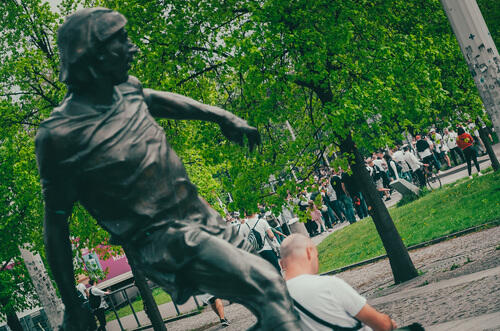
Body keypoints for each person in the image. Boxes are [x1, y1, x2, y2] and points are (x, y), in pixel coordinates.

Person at [35, 8, 300, 331]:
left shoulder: (127, 90)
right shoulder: (60, 136)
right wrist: (72, 303)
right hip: (164, 240)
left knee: (274, 293)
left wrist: (222, 116)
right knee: (268, 287)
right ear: (94, 55)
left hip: (199, 217)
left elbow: (160, 100)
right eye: (122, 42)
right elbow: (56, 222)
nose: (133, 49)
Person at [280, 234, 398, 331]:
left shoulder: (275, 299)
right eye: (317, 255)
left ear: (281, 264)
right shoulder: (328, 285)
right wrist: (389, 323)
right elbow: (381, 325)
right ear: (309, 252)